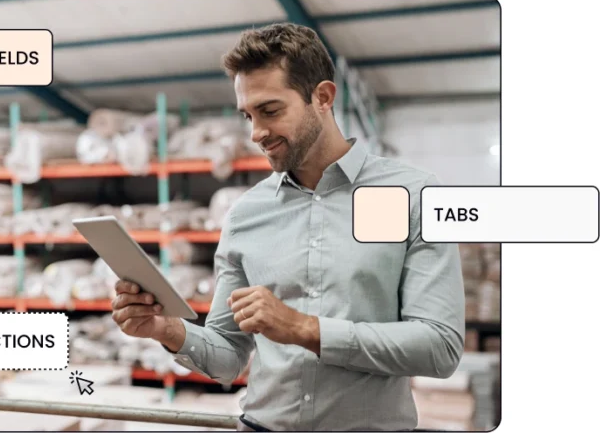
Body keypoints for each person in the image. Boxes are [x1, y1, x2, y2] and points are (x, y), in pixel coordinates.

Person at [110, 22, 465, 431]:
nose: (256, 133)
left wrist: (301, 328)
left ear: (323, 97)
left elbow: (440, 347)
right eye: (248, 115)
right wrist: (166, 329)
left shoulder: (413, 195)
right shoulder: (247, 214)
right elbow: (227, 355)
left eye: (271, 111)